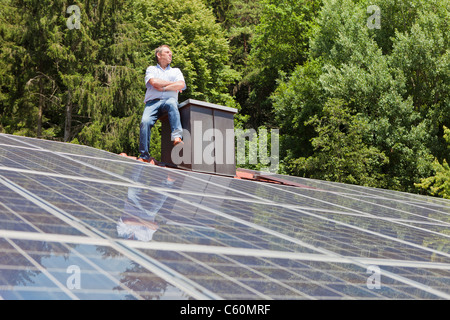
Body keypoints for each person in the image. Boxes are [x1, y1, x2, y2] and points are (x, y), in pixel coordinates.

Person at [138, 45, 186, 164]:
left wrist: (163, 87)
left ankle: (176, 137)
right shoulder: (151, 69)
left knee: (171, 103)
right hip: (152, 102)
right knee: (145, 122)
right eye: (167, 52)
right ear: (159, 55)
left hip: (169, 100)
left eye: (171, 53)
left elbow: (181, 84)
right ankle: (144, 155)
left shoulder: (176, 71)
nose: (170, 54)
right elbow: (154, 82)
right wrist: (172, 85)